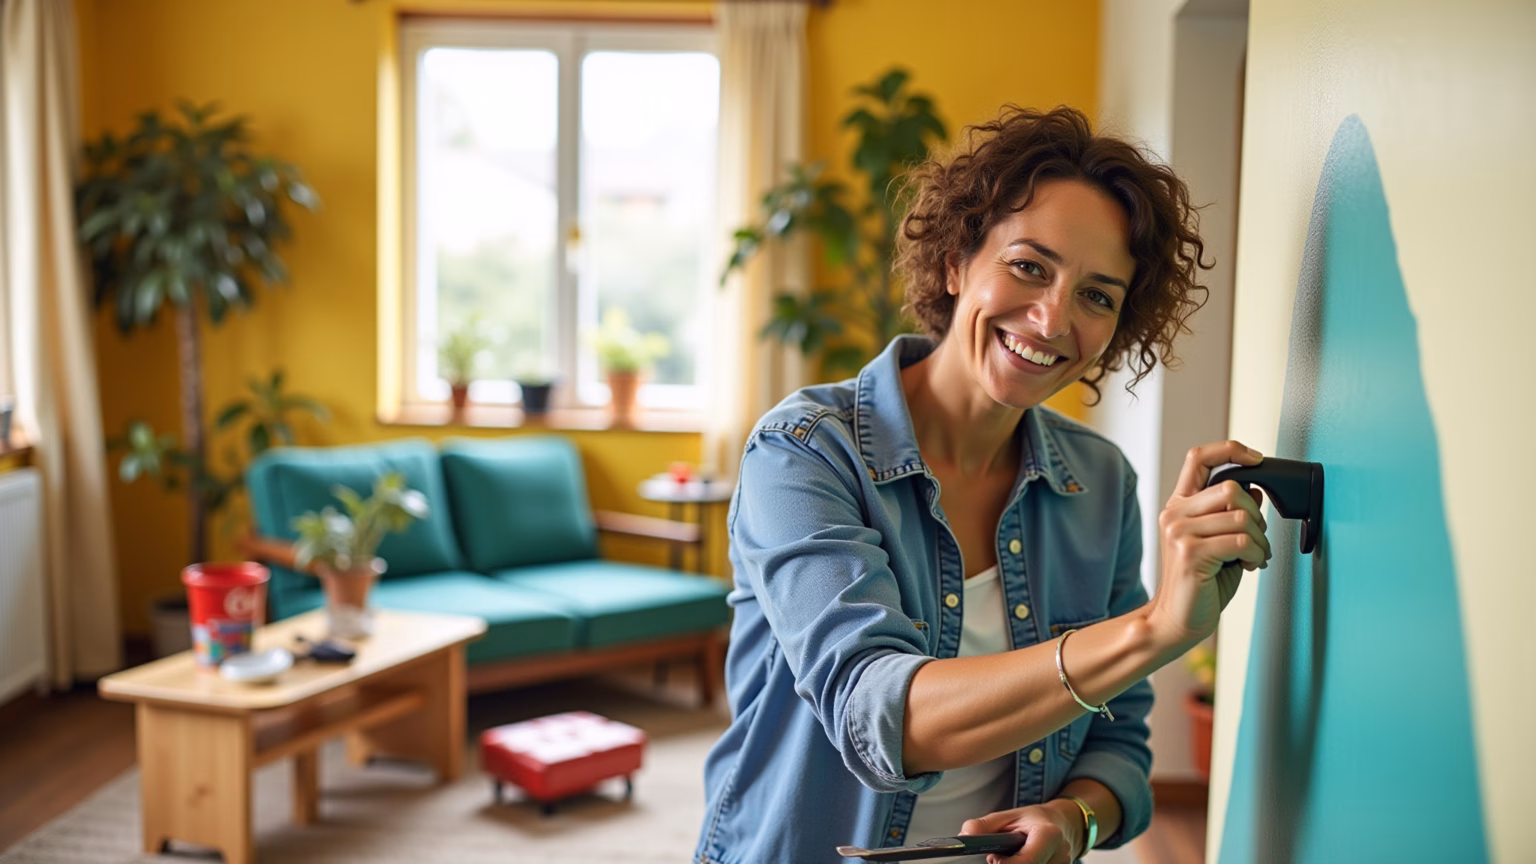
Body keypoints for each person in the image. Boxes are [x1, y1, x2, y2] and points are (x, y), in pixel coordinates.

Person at [694, 105, 1270, 864]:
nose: (1051, 317)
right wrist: (1157, 628)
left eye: (1098, 295)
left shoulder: (1098, 483)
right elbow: (883, 717)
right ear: (957, 261)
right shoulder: (802, 452)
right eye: (1030, 266)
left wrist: (1077, 818)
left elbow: (1119, 739)